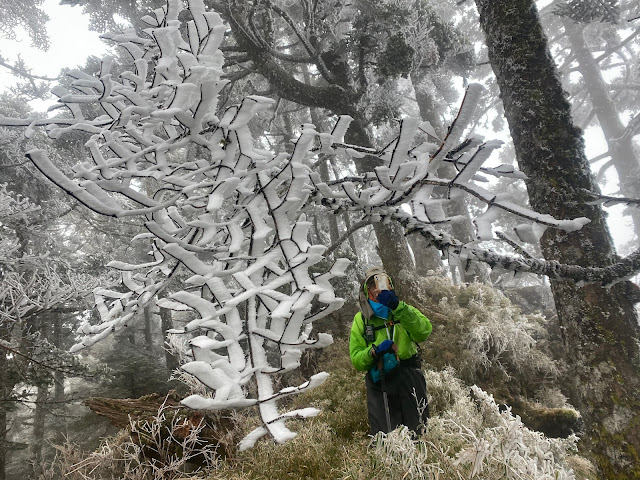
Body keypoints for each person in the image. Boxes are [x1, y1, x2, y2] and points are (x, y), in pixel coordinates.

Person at [349, 266, 432, 436]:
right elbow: (356, 359)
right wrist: (374, 351)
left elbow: (424, 331)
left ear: (391, 286)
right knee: (385, 437)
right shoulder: (362, 320)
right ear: (367, 291)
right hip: (380, 380)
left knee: (419, 432)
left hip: (409, 376)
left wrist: (397, 307)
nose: (379, 288)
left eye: (383, 283)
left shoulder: (403, 309)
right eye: (373, 285)